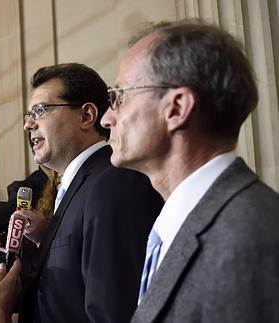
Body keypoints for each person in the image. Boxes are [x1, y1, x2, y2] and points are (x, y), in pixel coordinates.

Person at [100, 20, 279, 322]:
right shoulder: (178, 222)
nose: (107, 118)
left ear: (177, 108)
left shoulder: (250, 237)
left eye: (119, 97)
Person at [16, 63, 163, 322]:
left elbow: (114, 312)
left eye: (39, 110)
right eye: (28, 114)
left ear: (86, 116)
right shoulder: (80, 184)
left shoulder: (114, 182)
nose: (28, 124)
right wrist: (44, 240)